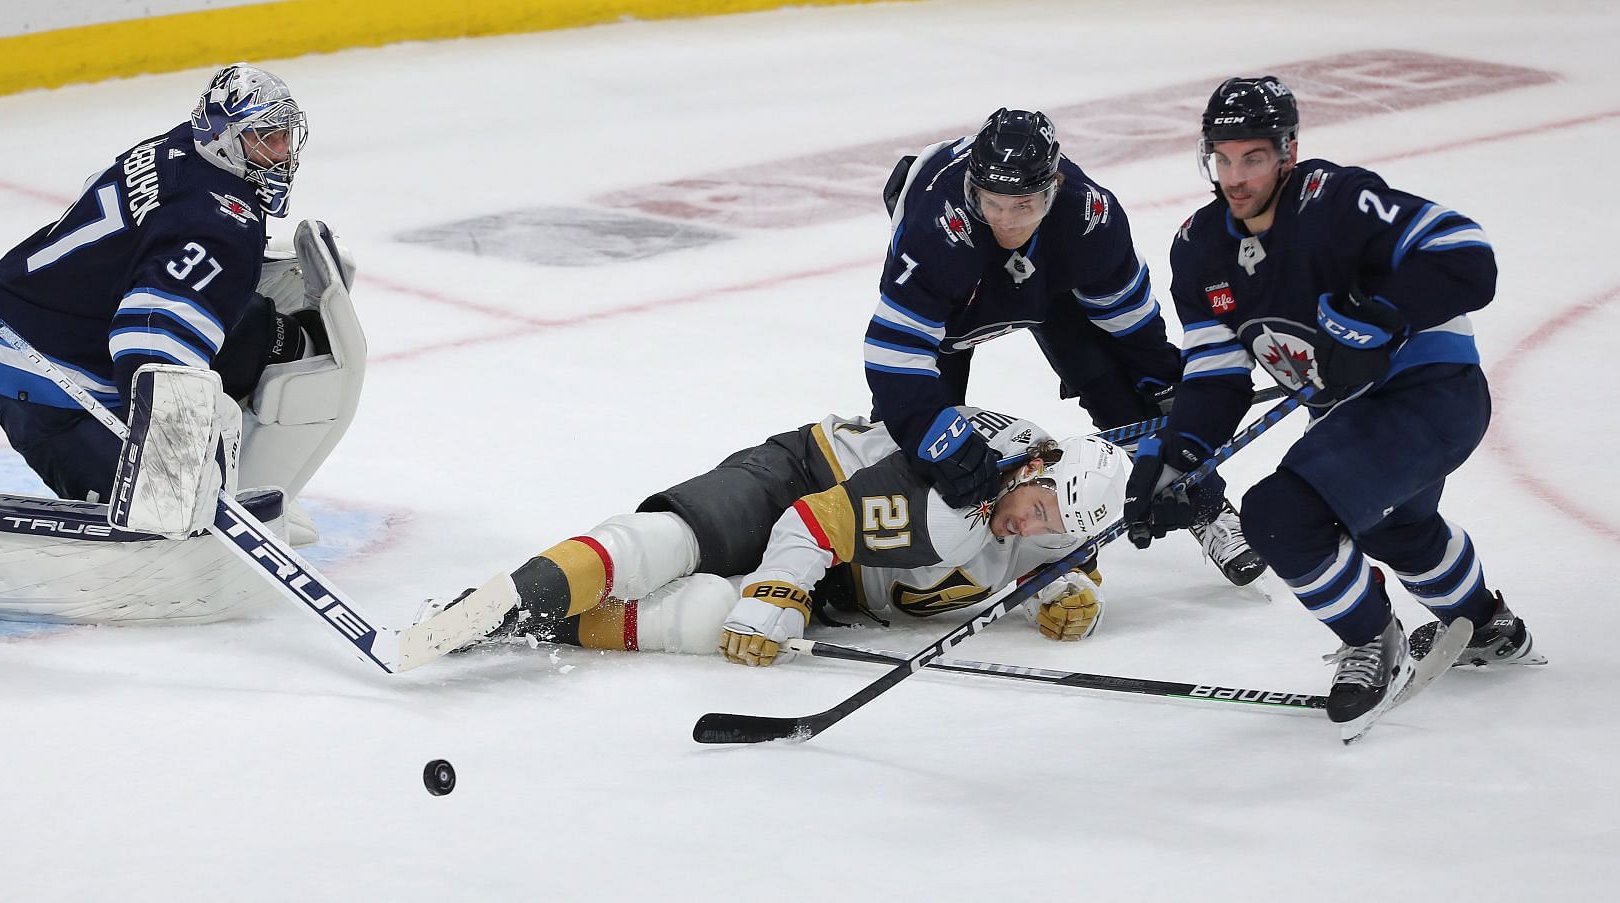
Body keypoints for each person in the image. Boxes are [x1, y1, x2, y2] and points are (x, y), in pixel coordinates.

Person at [0, 63, 370, 631]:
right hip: (48, 380)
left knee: (242, 317)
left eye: (285, 135)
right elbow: (147, 347)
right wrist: (175, 467)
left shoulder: (183, 146)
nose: (281, 153)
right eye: (265, 136)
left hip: (34, 311)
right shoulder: (217, 223)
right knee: (160, 530)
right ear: (229, 138)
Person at [1125, 75, 1544, 729]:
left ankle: (1374, 637)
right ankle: (1488, 624)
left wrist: (1380, 315)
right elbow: (1216, 374)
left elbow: (1467, 253)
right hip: (1354, 415)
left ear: (1287, 152)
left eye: (1254, 156)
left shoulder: (1332, 202)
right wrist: (1180, 454)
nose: (1236, 175)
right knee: (1393, 527)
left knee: (1279, 516)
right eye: (1223, 157)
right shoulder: (1199, 247)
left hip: (1433, 393)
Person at [869, 107, 1263, 586]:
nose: (1005, 221)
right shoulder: (937, 229)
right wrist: (930, 436)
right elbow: (895, 355)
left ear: (1053, 188)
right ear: (971, 188)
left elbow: (1128, 317)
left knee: (1128, 398)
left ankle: (1205, 505)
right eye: (991, 202)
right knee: (911, 446)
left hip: (1049, 292)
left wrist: (1163, 381)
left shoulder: (1088, 216)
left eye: (1023, 206)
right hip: (957, 304)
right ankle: (869, 546)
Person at [425, 408, 1129, 665]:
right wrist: (780, 585)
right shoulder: (963, 478)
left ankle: (531, 628)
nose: (1028, 525)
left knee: (709, 621)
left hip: (850, 583)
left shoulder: (1060, 514)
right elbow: (816, 521)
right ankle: (492, 604)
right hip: (799, 479)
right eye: (1035, 507)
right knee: (664, 544)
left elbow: (1061, 561)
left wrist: (1065, 597)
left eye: (1051, 527)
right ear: (1033, 466)